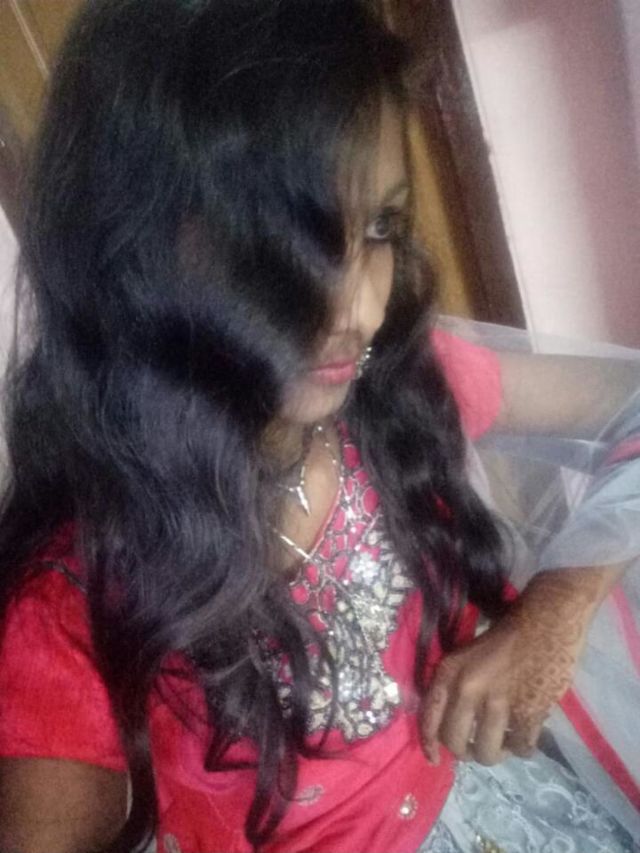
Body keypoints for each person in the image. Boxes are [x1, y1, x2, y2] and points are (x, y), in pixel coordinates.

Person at [0, 1, 638, 851]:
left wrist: (559, 604)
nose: (356, 309)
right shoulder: (70, 610)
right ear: (137, 252)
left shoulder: (399, 390)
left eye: (379, 228)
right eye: (278, 245)